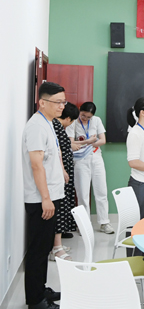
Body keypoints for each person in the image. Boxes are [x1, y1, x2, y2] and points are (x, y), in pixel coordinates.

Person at [22, 82, 67, 309]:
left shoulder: (49, 122)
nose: (62, 106)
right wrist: (46, 199)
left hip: (51, 195)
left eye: (63, 102)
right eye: (57, 102)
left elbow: (51, 157)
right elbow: (36, 165)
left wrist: (62, 172)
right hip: (42, 199)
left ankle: (41, 289)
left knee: (45, 246)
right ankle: (36, 302)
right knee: (38, 250)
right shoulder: (36, 127)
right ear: (42, 102)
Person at [66, 102, 113, 234]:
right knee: (82, 194)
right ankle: (84, 225)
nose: (85, 119)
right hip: (80, 160)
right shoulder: (73, 122)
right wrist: (87, 142)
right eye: (83, 115)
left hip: (96, 158)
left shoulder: (96, 121)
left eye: (88, 117)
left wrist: (86, 144)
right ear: (79, 111)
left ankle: (104, 222)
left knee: (101, 191)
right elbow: (70, 142)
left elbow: (103, 140)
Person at [49, 102, 79, 262]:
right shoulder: (55, 126)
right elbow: (57, 151)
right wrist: (63, 170)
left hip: (64, 173)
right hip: (60, 174)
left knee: (64, 206)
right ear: (68, 118)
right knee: (59, 209)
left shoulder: (57, 126)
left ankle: (57, 245)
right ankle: (56, 248)